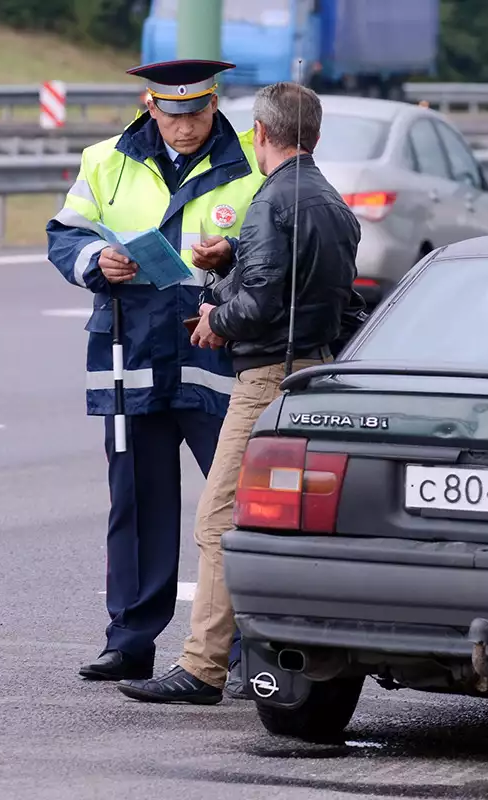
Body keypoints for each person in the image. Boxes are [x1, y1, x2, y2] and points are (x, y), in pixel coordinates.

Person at [117, 80, 367, 705]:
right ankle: (267, 653)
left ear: (260, 133)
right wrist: (232, 258)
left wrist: (213, 317)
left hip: (264, 379)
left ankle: (203, 667)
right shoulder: (331, 203)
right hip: (315, 372)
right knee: (283, 525)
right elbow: (322, 297)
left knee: (219, 520)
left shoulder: (272, 201)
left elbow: (261, 302)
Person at [45, 59, 266, 689]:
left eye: (197, 113)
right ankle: (130, 641)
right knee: (137, 504)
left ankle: (248, 643)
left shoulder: (250, 161)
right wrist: (97, 259)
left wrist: (232, 252)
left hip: (214, 356)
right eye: (173, 115)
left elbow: (277, 242)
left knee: (238, 508)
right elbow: (65, 234)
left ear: (214, 104)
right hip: (131, 353)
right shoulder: (106, 159)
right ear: (150, 106)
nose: (186, 127)